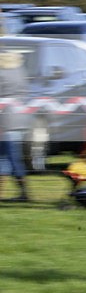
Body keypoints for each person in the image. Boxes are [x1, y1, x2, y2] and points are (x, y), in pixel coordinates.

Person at [0, 50, 31, 202]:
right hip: (19, 119)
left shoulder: (3, 74)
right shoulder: (20, 72)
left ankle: (24, 194)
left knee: (11, 158)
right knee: (5, 158)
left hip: (7, 121)